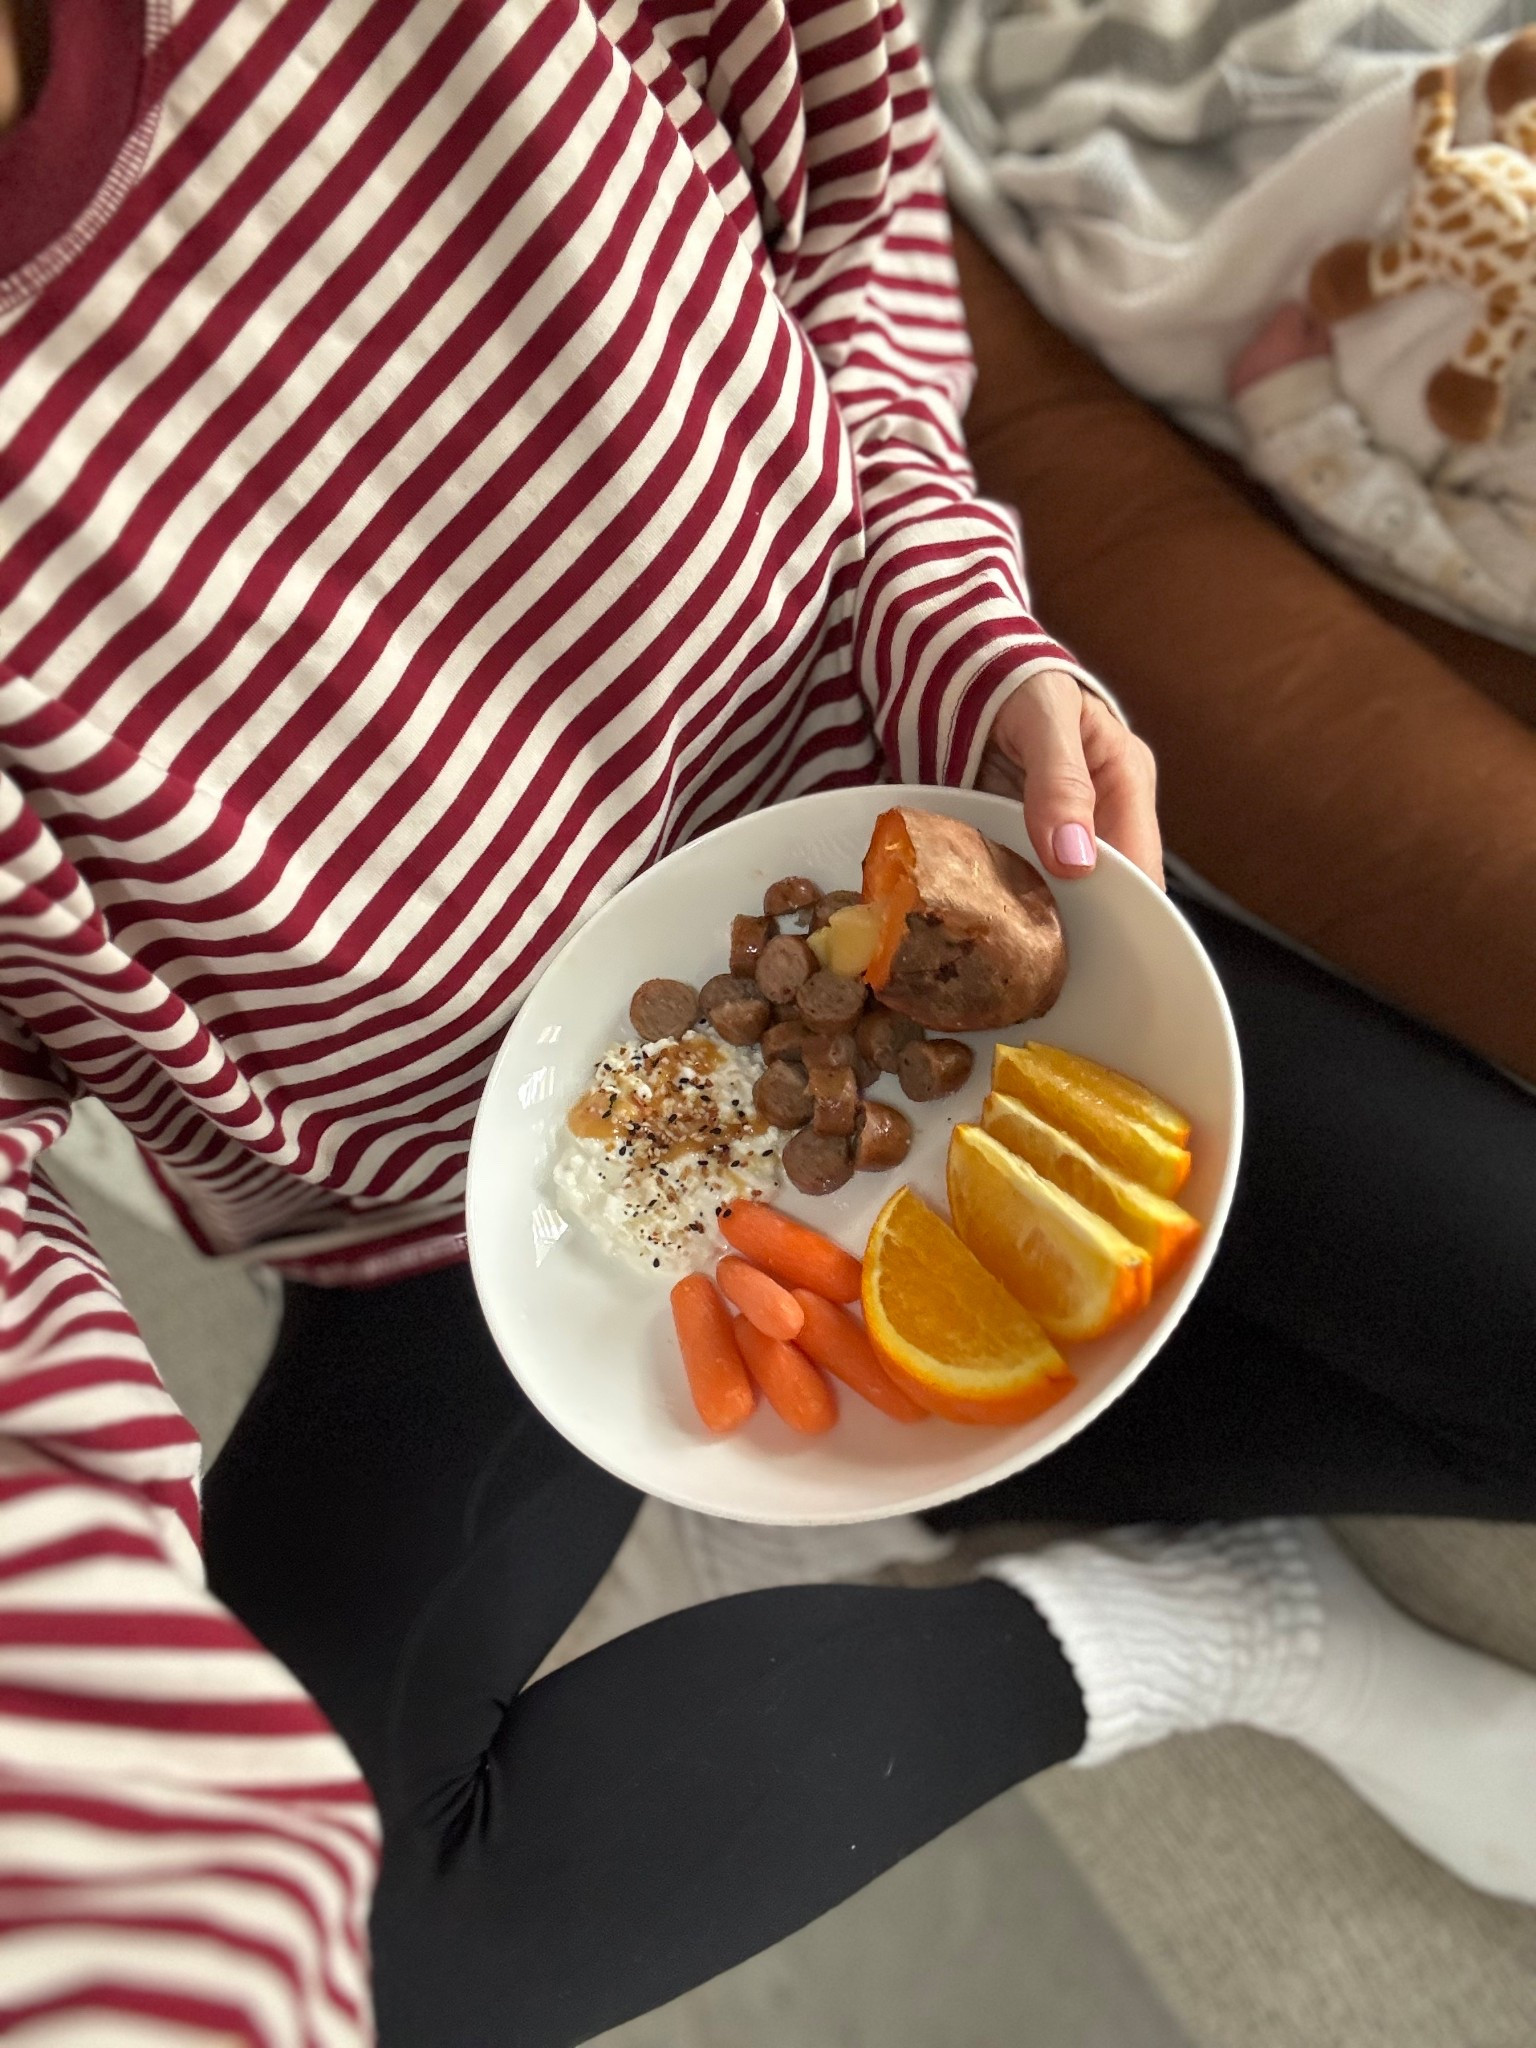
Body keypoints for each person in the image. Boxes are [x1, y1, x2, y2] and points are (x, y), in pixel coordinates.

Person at [0, 0, 1532, 2042]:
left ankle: (949, 1441)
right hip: (447, 1222)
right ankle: (1187, 1629)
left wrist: (948, 603)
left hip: (925, 877)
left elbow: (860, 182)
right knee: (385, 1975)